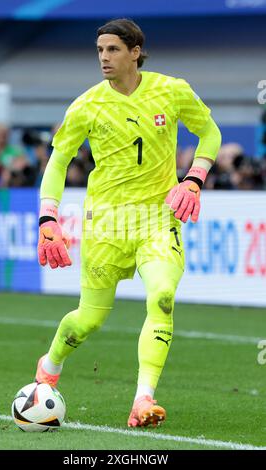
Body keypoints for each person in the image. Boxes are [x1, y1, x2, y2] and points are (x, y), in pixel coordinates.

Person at [35, 18, 221, 428]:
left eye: (113, 49)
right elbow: (58, 161)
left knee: (162, 297)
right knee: (89, 320)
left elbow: (210, 133)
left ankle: (143, 398)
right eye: (100, 50)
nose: (104, 57)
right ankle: (49, 365)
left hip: (158, 217)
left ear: (135, 51)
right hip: (107, 222)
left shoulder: (172, 90)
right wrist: (48, 217)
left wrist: (194, 179)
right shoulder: (85, 105)